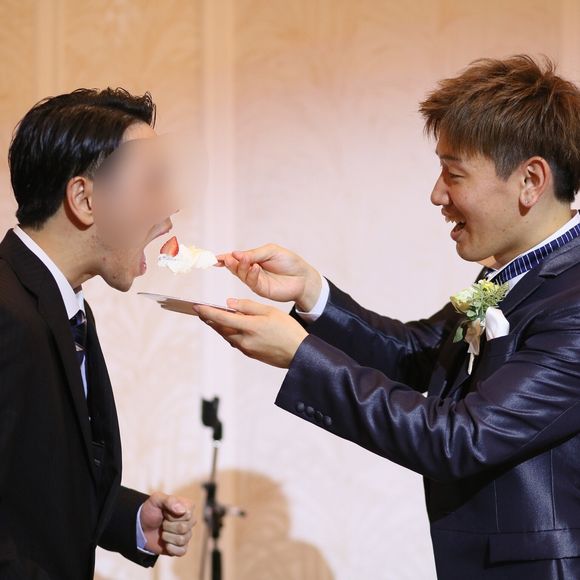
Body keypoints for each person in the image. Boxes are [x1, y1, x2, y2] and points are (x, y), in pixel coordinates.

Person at [194, 55, 580, 579]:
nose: (437, 195)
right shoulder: (511, 276)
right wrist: (311, 292)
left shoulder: (573, 302)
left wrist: (300, 356)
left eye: (454, 174)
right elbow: (417, 354)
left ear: (530, 180)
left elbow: (460, 438)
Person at [0, 88, 195, 579]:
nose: (171, 205)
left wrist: (128, 519)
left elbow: (31, 478)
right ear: (84, 199)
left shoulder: (62, 307)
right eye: (152, 183)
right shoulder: (5, 312)